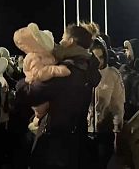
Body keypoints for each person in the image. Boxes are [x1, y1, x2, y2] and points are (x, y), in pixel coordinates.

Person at [16, 24, 101, 169]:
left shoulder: (66, 71)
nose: (59, 43)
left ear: (71, 41)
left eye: (63, 38)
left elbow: (28, 95)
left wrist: (24, 81)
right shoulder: (88, 68)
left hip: (54, 147)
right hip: (75, 142)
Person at [88, 37, 125, 169]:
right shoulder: (82, 74)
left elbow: (118, 106)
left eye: (101, 57)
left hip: (104, 131)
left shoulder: (112, 74)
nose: (98, 60)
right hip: (84, 132)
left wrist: (117, 132)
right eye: (94, 57)